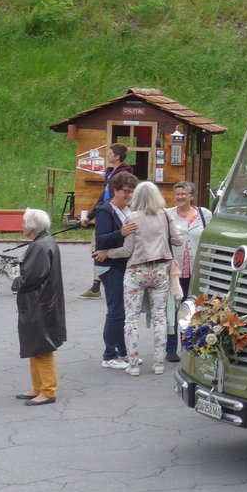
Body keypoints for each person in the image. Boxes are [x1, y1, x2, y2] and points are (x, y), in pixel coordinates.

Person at [94, 181, 183, 375]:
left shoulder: (132, 217)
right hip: (160, 269)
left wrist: (108, 253)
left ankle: (133, 363)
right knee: (160, 317)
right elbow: (178, 240)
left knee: (131, 318)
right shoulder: (166, 215)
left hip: (137, 270)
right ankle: (158, 363)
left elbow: (127, 250)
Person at [13, 208, 66, 407]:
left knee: (42, 348)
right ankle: (38, 387)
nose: (22, 226)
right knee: (35, 346)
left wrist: (16, 282)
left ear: (32, 227)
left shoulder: (41, 246)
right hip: (42, 301)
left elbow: (32, 277)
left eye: (24, 223)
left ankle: (48, 390)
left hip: (40, 302)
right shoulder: (44, 242)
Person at [77, 143, 136, 299]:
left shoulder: (120, 175)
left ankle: (97, 287)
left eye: (109, 153)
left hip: (113, 214)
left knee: (100, 245)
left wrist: (95, 214)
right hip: (106, 210)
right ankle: (96, 285)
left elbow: (107, 200)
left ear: (117, 156)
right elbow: (103, 197)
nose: (107, 156)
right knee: (98, 247)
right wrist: (89, 216)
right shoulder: (111, 173)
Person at [93, 171, 139, 369]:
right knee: (116, 311)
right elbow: (101, 239)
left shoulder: (128, 210)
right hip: (110, 267)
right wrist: (120, 232)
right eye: (125, 192)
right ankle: (109, 355)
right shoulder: (106, 211)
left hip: (122, 265)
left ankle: (123, 351)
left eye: (131, 192)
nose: (128, 195)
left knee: (125, 311)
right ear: (115, 190)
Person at [165, 181, 211, 363]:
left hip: (196, 270)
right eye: (177, 194)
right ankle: (170, 348)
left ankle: (191, 346)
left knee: (194, 309)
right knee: (173, 309)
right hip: (175, 271)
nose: (180, 197)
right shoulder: (167, 215)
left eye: (184, 194)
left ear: (192, 196)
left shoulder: (204, 214)